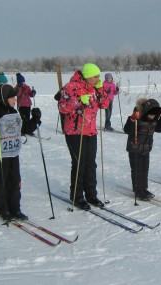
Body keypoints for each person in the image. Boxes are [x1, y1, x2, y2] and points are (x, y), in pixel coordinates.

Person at [0, 84, 41, 222]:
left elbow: (24, 128)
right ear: (3, 98)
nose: (15, 99)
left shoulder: (14, 113)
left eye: (15, 97)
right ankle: (2, 209)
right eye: (12, 97)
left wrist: (35, 120)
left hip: (13, 154)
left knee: (15, 182)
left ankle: (15, 208)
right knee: (0, 182)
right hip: (0, 155)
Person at [58, 63, 109, 210]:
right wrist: (79, 101)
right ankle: (77, 196)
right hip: (75, 131)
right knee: (79, 163)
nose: (97, 78)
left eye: (98, 76)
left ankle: (91, 194)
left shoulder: (94, 88)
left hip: (90, 131)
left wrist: (100, 88)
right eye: (95, 76)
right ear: (87, 75)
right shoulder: (71, 87)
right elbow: (62, 107)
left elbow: (104, 104)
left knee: (90, 164)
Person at [124, 98, 161, 200]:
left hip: (146, 148)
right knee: (137, 170)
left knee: (144, 169)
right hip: (134, 148)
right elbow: (127, 130)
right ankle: (138, 190)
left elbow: (159, 129)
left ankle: (143, 188)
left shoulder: (155, 119)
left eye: (154, 114)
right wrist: (132, 119)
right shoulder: (138, 117)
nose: (152, 116)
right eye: (150, 114)